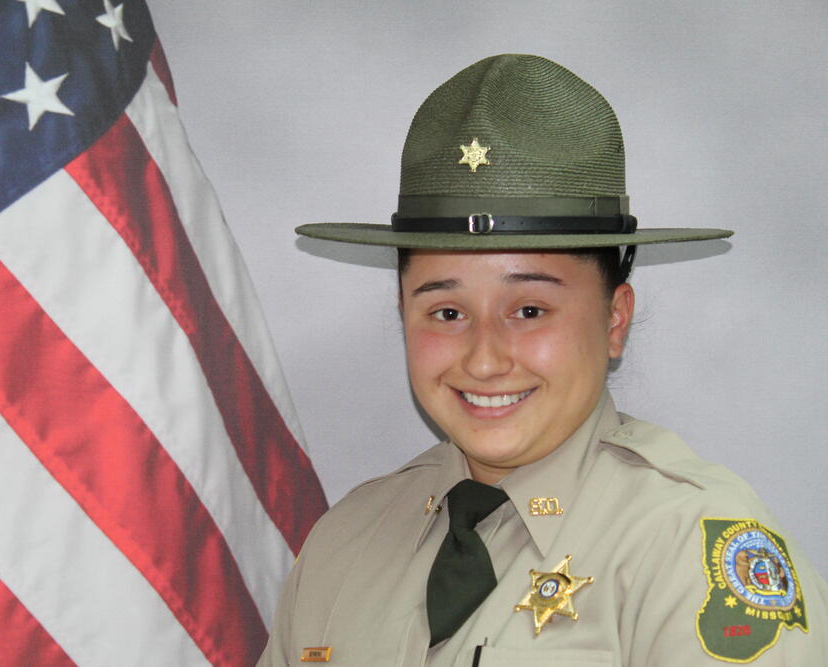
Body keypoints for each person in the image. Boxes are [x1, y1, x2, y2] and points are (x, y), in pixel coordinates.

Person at [258, 54, 828, 665]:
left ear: (615, 318)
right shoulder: (344, 543)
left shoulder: (690, 548)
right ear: (404, 313)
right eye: (447, 313)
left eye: (529, 310)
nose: (483, 360)